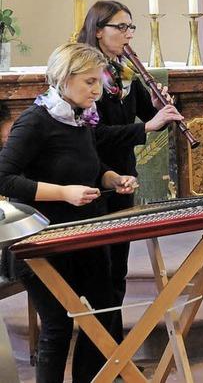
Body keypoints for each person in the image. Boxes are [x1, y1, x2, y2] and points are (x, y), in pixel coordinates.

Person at [0, 43, 138, 382]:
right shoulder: (36, 121)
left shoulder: (81, 117)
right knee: (58, 328)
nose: (98, 90)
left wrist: (111, 177)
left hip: (86, 235)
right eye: (90, 81)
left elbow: (88, 164)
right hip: (45, 241)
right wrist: (63, 193)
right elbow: (4, 177)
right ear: (64, 78)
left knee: (102, 316)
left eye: (99, 81)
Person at [77, 0, 183, 343]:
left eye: (130, 27)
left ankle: (114, 345)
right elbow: (92, 134)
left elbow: (145, 113)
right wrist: (149, 125)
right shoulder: (84, 75)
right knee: (99, 270)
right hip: (93, 177)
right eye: (120, 27)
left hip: (123, 176)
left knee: (118, 268)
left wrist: (157, 106)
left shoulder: (123, 70)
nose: (128, 34)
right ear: (98, 31)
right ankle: (99, 348)